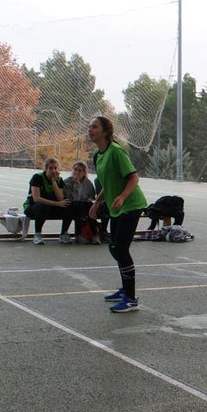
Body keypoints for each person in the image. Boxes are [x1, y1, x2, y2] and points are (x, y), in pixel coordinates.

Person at [87, 116, 147, 313]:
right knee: (114, 247)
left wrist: (121, 196)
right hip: (116, 207)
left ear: (105, 131)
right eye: (89, 126)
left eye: (94, 126)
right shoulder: (97, 154)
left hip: (131, 204)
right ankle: (124, 289)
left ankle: (131, 299)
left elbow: (133, 178)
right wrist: (97, 201)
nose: (90, 129)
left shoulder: (116, 151)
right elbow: (107, 183)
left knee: (120, 249)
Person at [24, 157, 73, 245]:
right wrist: (57, 204)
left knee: (69, 205)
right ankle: (37, 234)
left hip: (51, 207)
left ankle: (64, 234)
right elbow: (36, 199)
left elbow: (60, 199)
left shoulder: (59, 180)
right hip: (33, 207)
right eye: (50, 168)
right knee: (43, 205)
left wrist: (54, 182)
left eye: (55, 168)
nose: (53, 170)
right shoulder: (37, 177)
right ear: (46, 169)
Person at [63, 160, 101, 244]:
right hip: (71, 206)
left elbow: (91, 197)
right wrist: (76, 186)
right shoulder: (67, 182)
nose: (76, 172)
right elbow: (71, 199)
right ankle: (80, 234)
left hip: (85, 207)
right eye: (75, 170)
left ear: (84, 173)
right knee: (78, 205)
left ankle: (94, 233)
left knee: (90, 207)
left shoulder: (88, 183)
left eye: (80, 170)